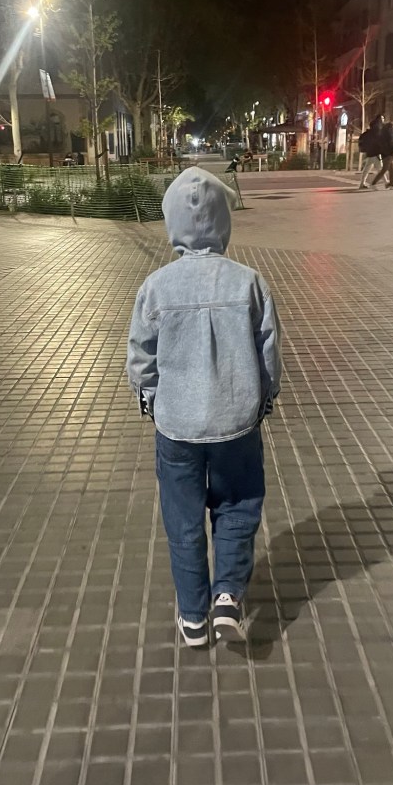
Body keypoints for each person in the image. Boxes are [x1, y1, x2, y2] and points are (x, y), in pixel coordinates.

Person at [127, 167, 282, 647]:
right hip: (236, 423)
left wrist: (153, 402)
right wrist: (263, 401)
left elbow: (141, 359)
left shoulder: (156, 286)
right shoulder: (249, 282)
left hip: (177, 427)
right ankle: (227, 596)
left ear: (171, 222)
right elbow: (268, 355)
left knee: (183, 518)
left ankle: (193, 617)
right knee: (237, 506)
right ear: (223, 221)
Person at [358, 115, 384, 189]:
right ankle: (386, 183)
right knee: (380, 169)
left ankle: (362, 183)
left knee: (367, 169)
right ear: (379, 120)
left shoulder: (372, 129)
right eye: (382, 118)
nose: (383, 120)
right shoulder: (377, 129)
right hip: (375, 152)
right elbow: (378, 141)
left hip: (370, 152)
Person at [371, 121, 393, 189]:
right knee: (384, 169)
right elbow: (390, 146)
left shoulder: (386, 135)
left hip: (388, 154)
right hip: (388, 155)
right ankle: (373, 183)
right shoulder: (388, 136)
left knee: (392, 170)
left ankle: (391, 184)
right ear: (390, 128)